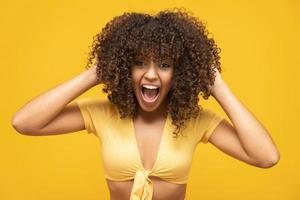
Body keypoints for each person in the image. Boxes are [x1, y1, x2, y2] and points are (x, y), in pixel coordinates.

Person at [11, 8, 280, 200]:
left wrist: (218, 86)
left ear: (179, 72)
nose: (151, 74)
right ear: (124, 67)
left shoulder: (196, 120)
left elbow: (266, 157)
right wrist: (92, 74)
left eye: (164, 65)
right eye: (139, 63)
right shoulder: (102, 113)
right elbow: (24, 123)